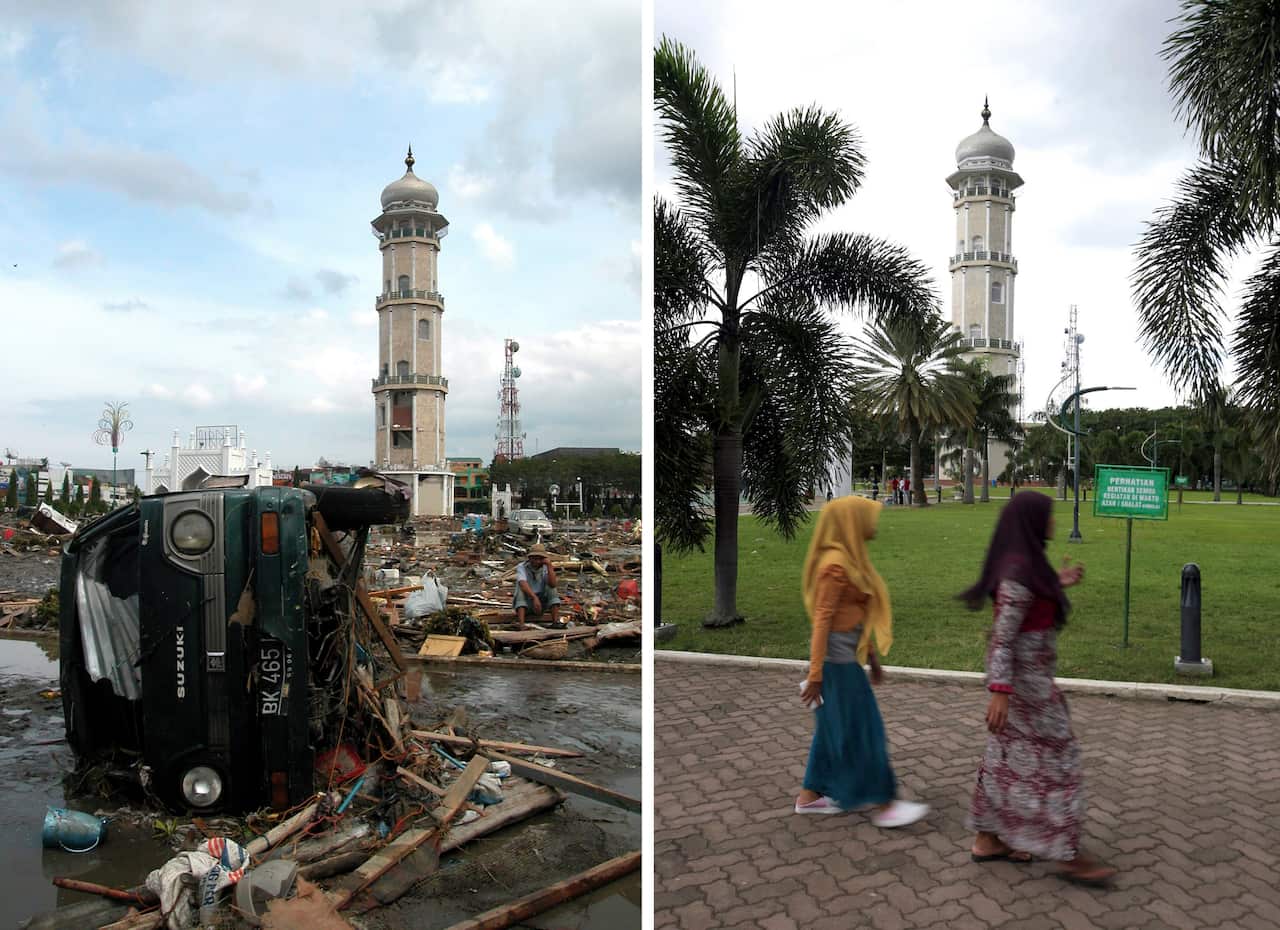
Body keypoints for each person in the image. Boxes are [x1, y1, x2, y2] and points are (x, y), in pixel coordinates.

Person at [959, 493, 1117, 885]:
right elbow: (1002, 638)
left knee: (1005, 759)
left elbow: (1031, 597)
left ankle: (988, 838)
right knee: (1059, 761)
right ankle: (1067, 854)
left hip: (1026, 683)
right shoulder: (1017, 572)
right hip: (1027, 687)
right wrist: (1000, 690)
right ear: (1031, 521)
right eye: (1048, 517)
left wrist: (1059, 581)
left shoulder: (1027, 565)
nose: (1053, 523)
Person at [794, 497, 929, 827]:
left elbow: (855, 615)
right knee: (864, 731)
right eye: (868, 517)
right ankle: (885, 805)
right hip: (836, 668)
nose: (874, 524)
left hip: (844, 664)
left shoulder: (849, 559)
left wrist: (871, 657)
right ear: (851, 522)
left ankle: (809, 798)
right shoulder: (836, 565)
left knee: (831, 731)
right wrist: (816, 675)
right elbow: (823, 621)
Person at [513, 543, 560, 626]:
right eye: (534, 559)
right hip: (527, 603)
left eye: (540, 559)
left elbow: (553, 584)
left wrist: (549, 566)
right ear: (530, 558)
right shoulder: (522, 567)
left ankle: (555, 622)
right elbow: (522, 583)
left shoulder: (545, 567)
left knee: (552, 589)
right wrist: (534, 598)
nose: (537, 561)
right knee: (520, 589)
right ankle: (521, 624)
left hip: (541, 603)